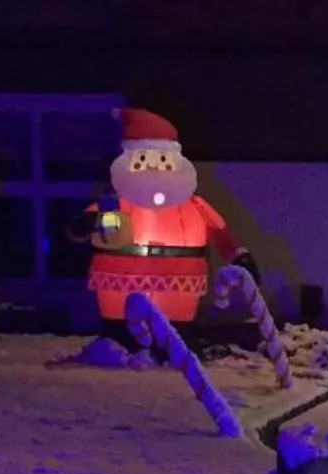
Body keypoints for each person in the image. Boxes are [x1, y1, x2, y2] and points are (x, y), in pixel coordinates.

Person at [67, 108, 255, 329]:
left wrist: (238, 257)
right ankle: (121, 342)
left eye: (164, 161)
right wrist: (84, 225)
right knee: (123, 327)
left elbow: (221, 234)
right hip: (120, 282)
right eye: (142, 161)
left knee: (174, 330)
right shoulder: (114, 204)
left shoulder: (195, 206)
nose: (155, 169)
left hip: (181, 284)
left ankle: (173, 343)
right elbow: (80, 227)